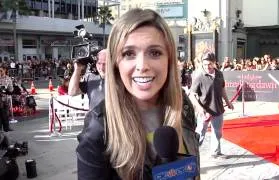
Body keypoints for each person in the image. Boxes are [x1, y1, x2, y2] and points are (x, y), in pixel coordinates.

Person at [76, 8, 199, 180]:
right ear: (116, 64)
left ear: (169, 60)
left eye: (155, 53)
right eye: (129, 54)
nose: (142, 65)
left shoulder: (183, 106)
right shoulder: (99, 128)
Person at [189, 52, 234, 158]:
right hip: (204, 110)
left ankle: (216, 152)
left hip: (218, 108)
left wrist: (228, 102)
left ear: (214, 63)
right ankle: (192, 153)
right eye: (205, 64)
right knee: (200, 133)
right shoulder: (199, 75)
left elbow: (222, 88)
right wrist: (200, 109)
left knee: (217, 132)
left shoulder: (219, 74)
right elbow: (192, 94)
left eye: (209, 64)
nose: (207, 67)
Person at [0, 67, 13, 132]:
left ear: (4, 70)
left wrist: (6, 89)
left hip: (5, 99)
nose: (0, 72)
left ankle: (6, 127)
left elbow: (11, 89)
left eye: (1, 71)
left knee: (6, 114)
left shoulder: (7, 78)